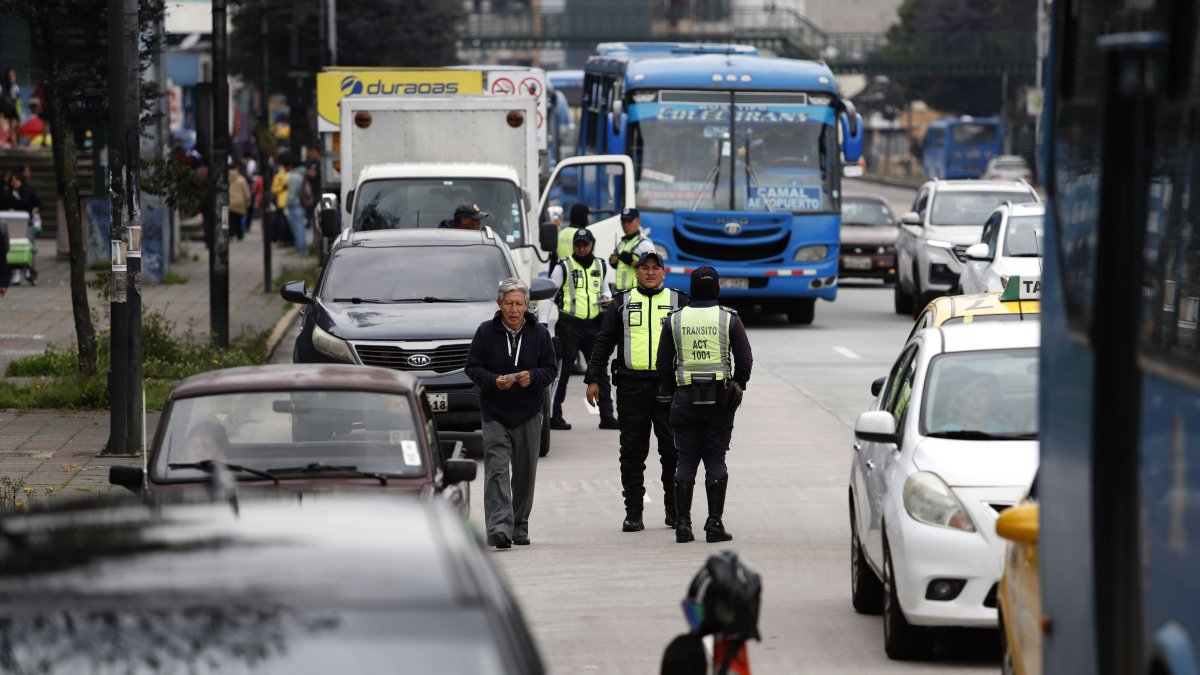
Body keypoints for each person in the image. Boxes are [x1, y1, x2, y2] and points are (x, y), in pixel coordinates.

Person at [585, 250, 686, 532]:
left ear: (664, 272)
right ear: (637, 272)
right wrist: (593, 378)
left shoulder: (679, 302)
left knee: (673, 452)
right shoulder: (621, 303)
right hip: (631, 387)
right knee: (632, 453)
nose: (651, 272)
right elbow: (604, 342)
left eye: (656, 268)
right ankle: (633, 512)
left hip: (669, 388)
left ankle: (674, 511)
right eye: (645, 268)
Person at [657, 266, 753, 544]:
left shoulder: (674, 320)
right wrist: (737, 385)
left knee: (685, 460)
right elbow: (745, 360)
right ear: (717, 288)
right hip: (719, 401)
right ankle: (713, 525)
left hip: (685, 399)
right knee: (715, 459)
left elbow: (663, 364)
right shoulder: (728, 319)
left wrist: (676, 389)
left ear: (692, 288)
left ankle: (683, 526)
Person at [465, 278, 558, 549]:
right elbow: (472, 367)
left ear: (527, 305)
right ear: (499, 304)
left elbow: (551, 368)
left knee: (525, 474)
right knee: (496, 471)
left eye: (519, 303)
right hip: (495, 413)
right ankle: (498, 528)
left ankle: (519, 526)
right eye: (509, 303)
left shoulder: (540, 334)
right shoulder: (485, 332)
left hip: (529, 413)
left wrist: (534, 376)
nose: (514, 309)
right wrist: (493, 381)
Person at [543, 227, 617, 430]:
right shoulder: (563, 266)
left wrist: (605, 299)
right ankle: (553, 415)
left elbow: (604, 289)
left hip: (594, 325)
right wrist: (542, 322)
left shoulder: (600, 265)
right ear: (574, 245)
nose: (582, 248)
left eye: (586, 244)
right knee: (562, 372)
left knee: (601, 371)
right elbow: (549, 294)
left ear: (592, 244)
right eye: (578, 244)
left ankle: (607, 416)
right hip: (569, 326)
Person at [610, 208, 657, 292]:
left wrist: (633, 262)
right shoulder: (622, 243)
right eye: (623, 222)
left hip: (637, 293)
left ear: (638, 222)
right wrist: (614, 262)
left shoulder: (645, 243)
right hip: (621, 293)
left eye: (629, 221)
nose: (626, 225)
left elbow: (654, 269)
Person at [284, 154, 308, 253]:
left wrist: (287, 202)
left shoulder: (294, 177)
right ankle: (303, 247)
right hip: (300, 204)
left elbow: (292, 194)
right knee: (300, 226)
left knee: (297, 227)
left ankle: (300, 248)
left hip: (294, 204)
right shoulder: (302, 174)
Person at [228, 165, 251, 241]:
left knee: (231, 219)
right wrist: (248, 201)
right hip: (240, 202)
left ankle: (230, 234)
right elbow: (246, 192)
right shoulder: (242, 179)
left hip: (230, 202)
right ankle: (239, 235)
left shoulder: (227, 178)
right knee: (238, 219)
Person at [0, 70, 20, 146]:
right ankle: (12, 140)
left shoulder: (15, 85)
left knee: (16, 124)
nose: (12, 77)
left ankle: (13, 140)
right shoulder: (6, 85)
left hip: (15, 107)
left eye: (13, 75)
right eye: (11, 75)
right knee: (10, 123)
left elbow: (17, 96)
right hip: (8, 107)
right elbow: (4, 96)